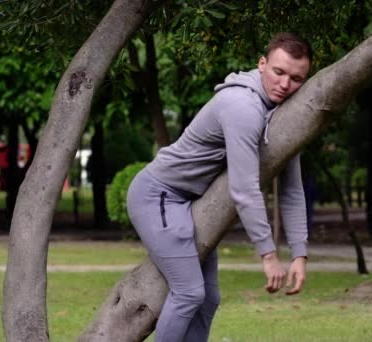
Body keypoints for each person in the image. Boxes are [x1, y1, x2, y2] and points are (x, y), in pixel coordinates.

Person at [126, 32, 312, 342]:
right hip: (158, 195)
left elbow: (292, 190)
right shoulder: (243, 107)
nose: (284, 84)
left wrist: (299, 255)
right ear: (262, 64)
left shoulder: (280, 116)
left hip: (192, 204)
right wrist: (268, 255)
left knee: (208, 299)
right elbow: (244, 189)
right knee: (188, 293)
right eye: (279, 72)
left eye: (296, 78)